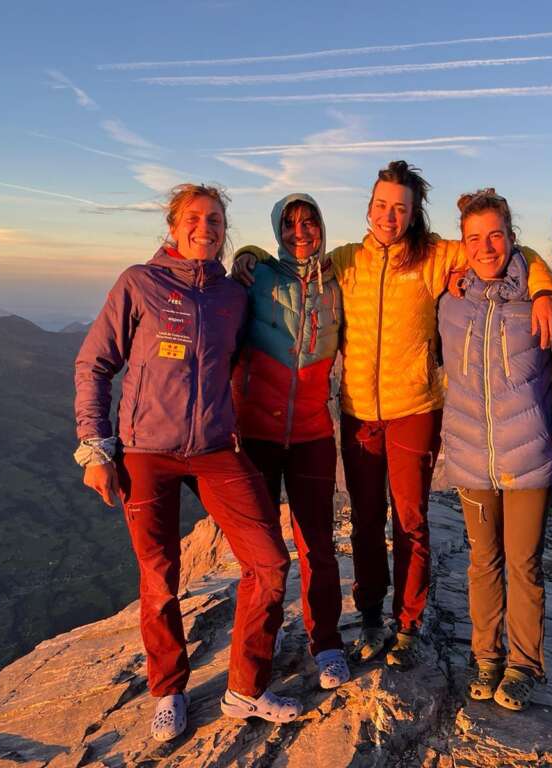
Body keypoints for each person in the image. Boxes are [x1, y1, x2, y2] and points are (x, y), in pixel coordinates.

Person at [233, 161, 552, 669]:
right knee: (366, 520)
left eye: (400, 208)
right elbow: (291, 263)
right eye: (382, 206)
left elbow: (513, 251)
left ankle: (407, 623)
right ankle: (370, 616)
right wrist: (248, 254)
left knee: (410, 522)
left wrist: (543, 291)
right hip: (359, 412)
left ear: (412, 214)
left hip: (415, 409)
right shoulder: (346, 261)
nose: (389, 216)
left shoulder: (435, 257)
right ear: (369, 208)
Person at [74, 184, 302, 743]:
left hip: (215, 448)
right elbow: (94, 364)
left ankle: (245, 688)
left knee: (270, 563)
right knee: (159, 578)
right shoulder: (140, 283)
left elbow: (247, 357)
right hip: (144, 451)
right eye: (195, 218)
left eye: (216, 220)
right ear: (173, 228)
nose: (206, 227)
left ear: (226, 231)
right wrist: (95, 448)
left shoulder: (232, 296)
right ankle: (168, 690)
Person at [438, 189, 552, 711]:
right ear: (461, 244)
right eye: (474, 238)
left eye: (495, 235)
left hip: (528, 457)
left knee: (523, 564)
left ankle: (525, 665)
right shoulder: (449, 301)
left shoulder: (539, 298)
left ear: (512, 237)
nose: (485, 247)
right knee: (482, 562)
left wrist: (543, 288)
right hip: (471, 457)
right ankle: (487, 657)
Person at [231, 193, 349, 690]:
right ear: (277, 230)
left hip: (311, 434)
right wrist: (248, 253)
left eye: (309, 221)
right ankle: (268, 628)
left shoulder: (338, 282)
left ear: (322, 225)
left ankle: (326, 641)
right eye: (289, 223)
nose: (300, 232)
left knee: (317, 544)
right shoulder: (256, 277)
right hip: (256, 433)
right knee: (261, 551)